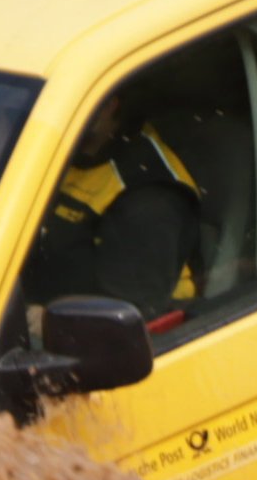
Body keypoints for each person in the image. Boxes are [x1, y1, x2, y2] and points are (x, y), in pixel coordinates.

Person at [28, 86, 205, 335]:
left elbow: (128, 322)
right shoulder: (44, 150)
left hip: (137, 345)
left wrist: (50, 323)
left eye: (62, 99)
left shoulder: (149, 198)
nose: (45, 111)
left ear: (110, 103)